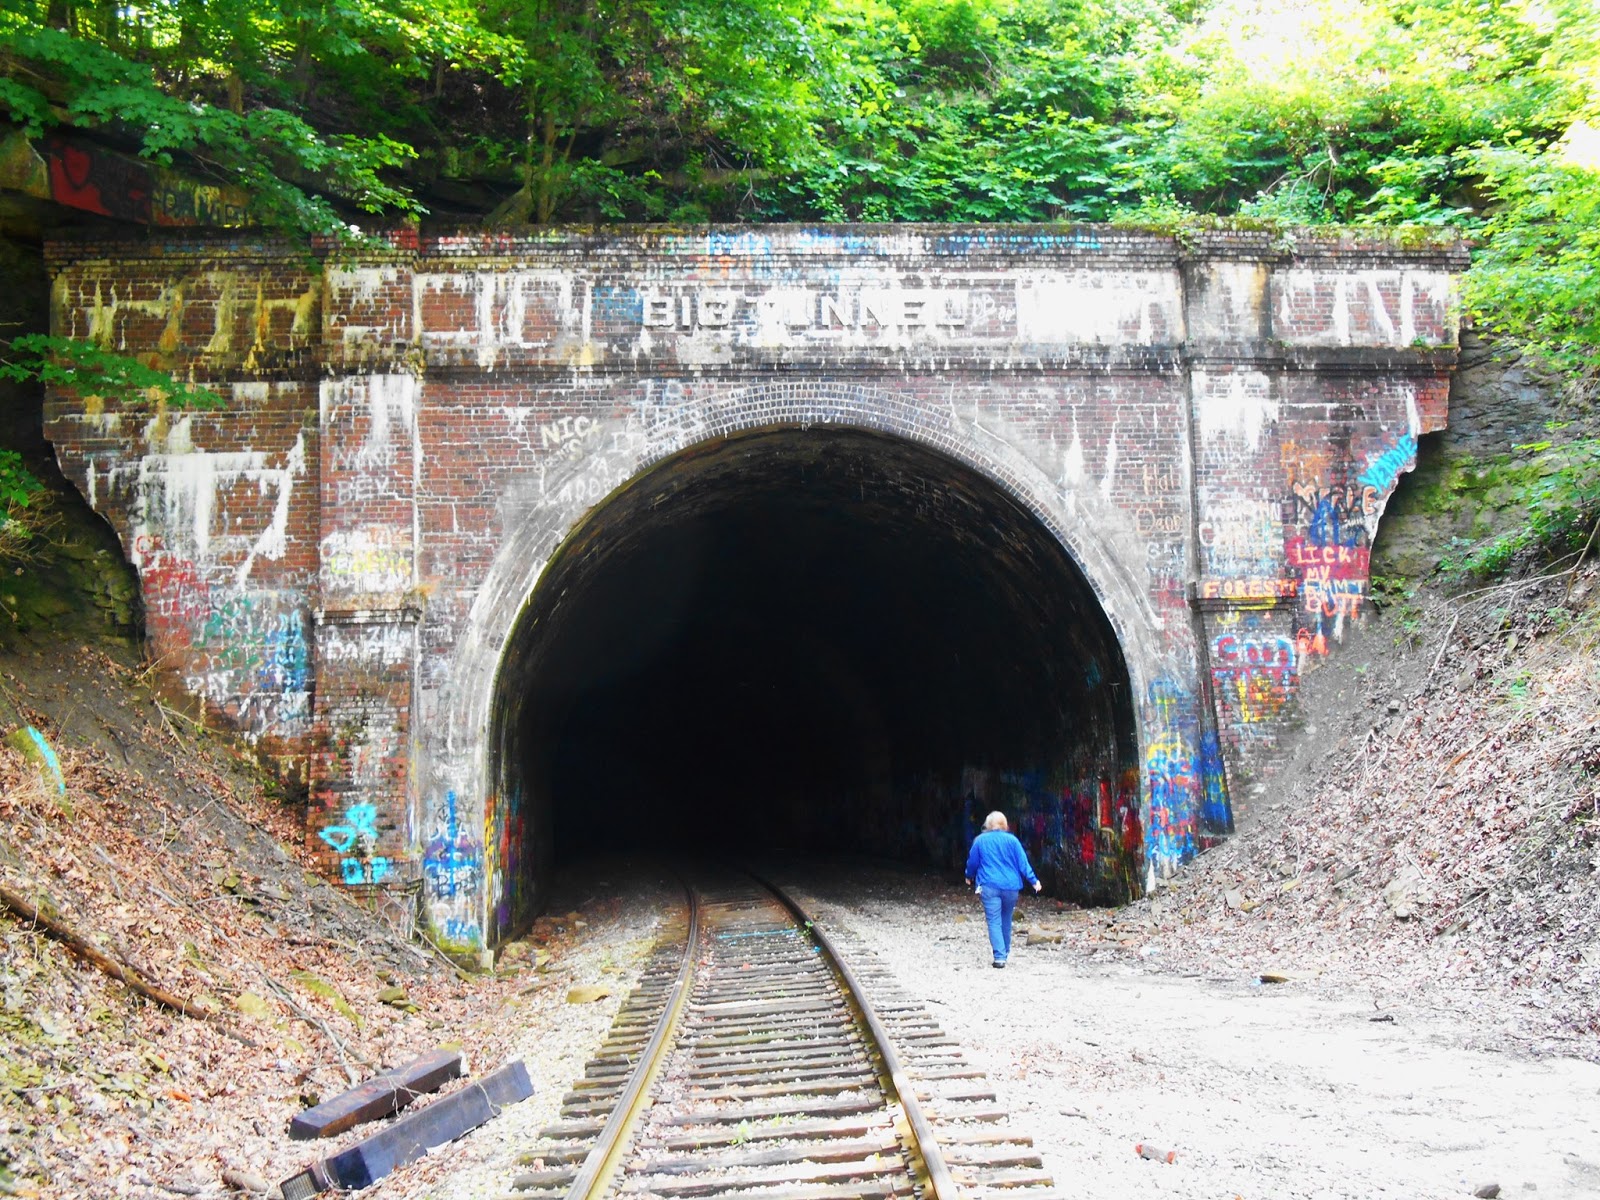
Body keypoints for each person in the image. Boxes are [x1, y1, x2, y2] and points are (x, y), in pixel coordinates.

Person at [964, 811, 1041, 968]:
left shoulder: (980, 841)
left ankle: (999, 957)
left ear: (987, 824)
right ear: (1004, 824)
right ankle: (1004, 952)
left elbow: (973, 862)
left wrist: (969, 875)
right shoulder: (1012, 841)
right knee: (1006, 918)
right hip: (1011, 887)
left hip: (989, 885)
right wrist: (1034, 880)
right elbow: (1023, 863)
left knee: (993, 920)